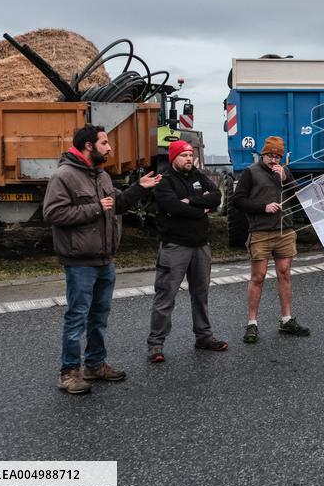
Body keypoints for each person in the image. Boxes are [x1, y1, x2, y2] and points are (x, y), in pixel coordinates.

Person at [43, 124, 161, 394]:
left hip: (105, 259)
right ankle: (69, 372)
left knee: (99, 316)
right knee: (77, 317)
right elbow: (52, 214)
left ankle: (95, 365)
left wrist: (139, 188)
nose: (110, 148)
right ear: (88, 145)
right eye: (105, 143)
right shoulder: (64, 175)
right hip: (80, 261)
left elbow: (116, 204)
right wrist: (95, 208)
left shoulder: (101, 175)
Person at [146, 140, 227, 363]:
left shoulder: (198, 176)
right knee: (166, 296)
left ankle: (204, 336)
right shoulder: (165, 181)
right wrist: (201, 209)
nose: (189, 159)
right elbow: (172, 207)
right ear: (173, 158)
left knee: (200, 294)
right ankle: (156, 343)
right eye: (184, 155)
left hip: (201, 245)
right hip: (175, 246)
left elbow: (216, 196)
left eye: (191, 155)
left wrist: (191, 201)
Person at [231, 136, 309, 343]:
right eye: (270, 156)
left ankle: (286, 320)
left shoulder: (285, 172)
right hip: (260, 231)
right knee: (259, 276)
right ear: (263, 155)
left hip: (285, 230)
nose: (274, 160)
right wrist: (262, 208)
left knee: (284, 274)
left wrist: (286, 178)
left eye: (277, 157)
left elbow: (298, 195)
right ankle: (252, 323)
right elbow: (237, 200)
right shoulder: (251, 172)